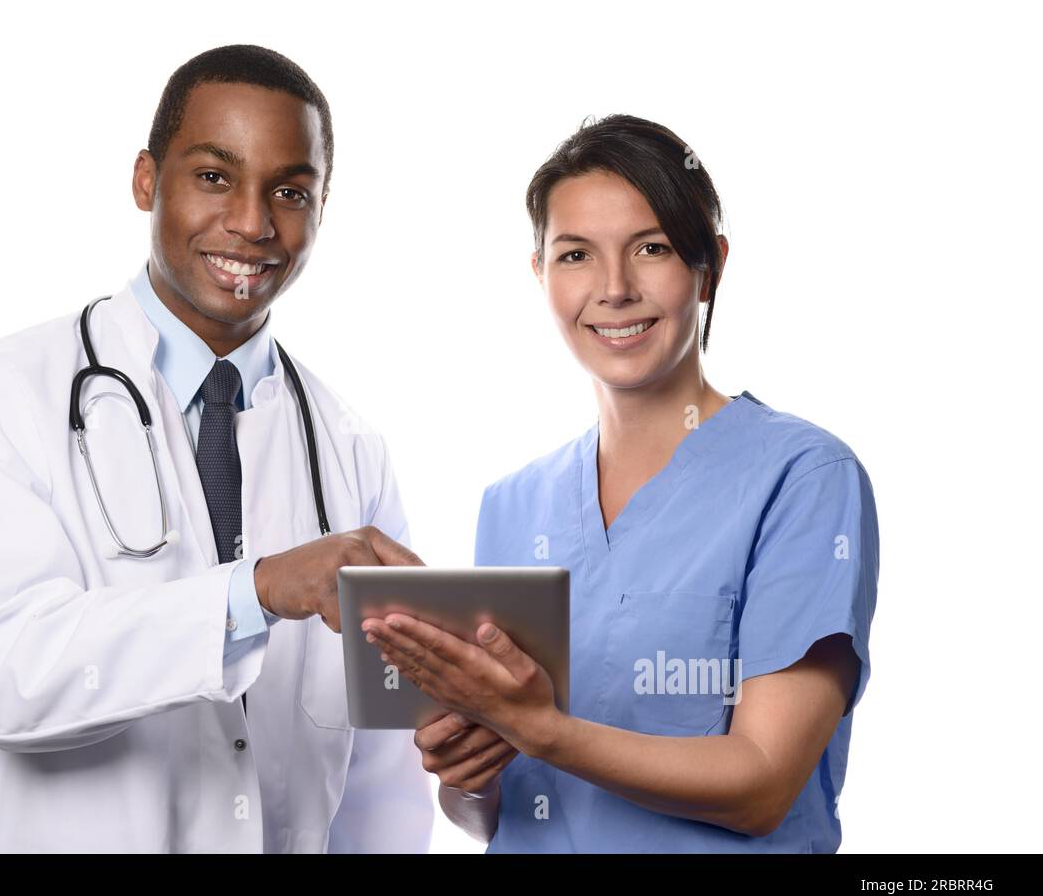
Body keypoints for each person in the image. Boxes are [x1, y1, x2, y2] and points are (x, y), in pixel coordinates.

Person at [0, 45, 433, 853]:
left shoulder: (351, 450)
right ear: (146, 181)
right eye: (215, 176)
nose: (254, 223)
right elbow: (3, 672)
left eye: (290, 191)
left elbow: (381, 776)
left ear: (322, 212)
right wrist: (254, 593)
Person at [364, 114, 879, 852]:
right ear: (541, 272)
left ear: (711, 266)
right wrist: (468, 775)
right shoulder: (513, 504)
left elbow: (764, 783)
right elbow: (496, 813)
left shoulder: (802, 479)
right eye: (576, 254)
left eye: (652, 248)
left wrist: (542, 728)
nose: (614, 288)